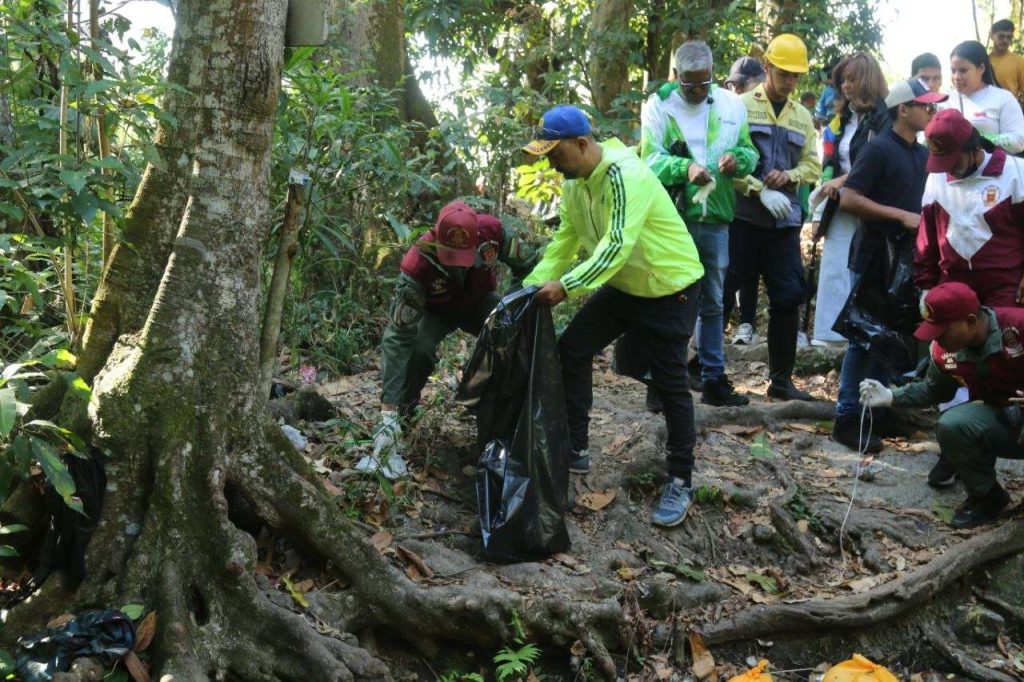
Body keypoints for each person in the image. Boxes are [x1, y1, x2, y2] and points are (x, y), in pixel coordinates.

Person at [522, 104, 705, 527]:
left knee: (670, 383)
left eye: (555, 153)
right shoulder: (575, 183)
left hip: (669, 286)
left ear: (582, 143)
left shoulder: (627, 176)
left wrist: (566, 287)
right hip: (624, 285)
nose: (550, 162)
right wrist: (531, 286)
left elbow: (615, 245)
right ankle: (576, 446)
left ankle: (681, 478)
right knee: (573, 348)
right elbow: (564, 242)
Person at [364, 200, 537, 478]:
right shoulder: (418, 262)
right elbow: (397, 338)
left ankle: (499, 425)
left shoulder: (492, 232)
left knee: (509, 336)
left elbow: (530, 264)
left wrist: (511, 303)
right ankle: (403, 418)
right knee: (419, 350)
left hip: (481, 304)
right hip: (436, 312)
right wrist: (388, 411)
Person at [640, 40, 758, 407]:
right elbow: (649, 161)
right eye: (689, 84)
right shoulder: (658, 104)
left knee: (713, 301)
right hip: (672, 219)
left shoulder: (730, 105)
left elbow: (751, 153)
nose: (697, 91)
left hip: (716, 218)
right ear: (676, 77)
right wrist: (685, 168)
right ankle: (661, 381)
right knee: (670, 300)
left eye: (704, 84)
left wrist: (736, 159)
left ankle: (713, 379)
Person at [829, 79, 945, 451]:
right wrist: (899, 216)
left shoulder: (921, 153)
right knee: (863, 337)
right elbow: (848, 198)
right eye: (925, 105)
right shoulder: (878, 148)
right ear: (903, 110)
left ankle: (873, 414)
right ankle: (847, 418)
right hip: (872, 256)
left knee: (890, 336)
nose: (931, 111)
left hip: (904, 264)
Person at [860, 282, 1024, 528]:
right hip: (1003, 419)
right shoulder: (944, 350)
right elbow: (934, 389)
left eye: (942, 330)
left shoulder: (1018, 326)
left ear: (970, 321)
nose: (936, 338)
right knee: (952, 424)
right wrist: (891, 396)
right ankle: (987, 497)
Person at [731, 33, 822, 400]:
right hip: (743, 219)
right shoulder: (739, 106)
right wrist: (757, 188)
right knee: (722, 295)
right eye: (784, 73)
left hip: (784, 223)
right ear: (767, 67)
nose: (790, 82)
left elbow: (813, 164)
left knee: (788, 296)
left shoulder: (803, 116)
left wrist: (790, 176)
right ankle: (703, 371)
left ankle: (781, 381)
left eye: (796, 76)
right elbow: (727, 161)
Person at [810, 53, 889, 346]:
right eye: (842, 80)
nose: (846, 86)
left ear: (867, 79)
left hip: (870, 202)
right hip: (839, 202)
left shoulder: (883, 116)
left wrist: (842, 182)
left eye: (852, 79)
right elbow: (831, 160)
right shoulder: (841, 119)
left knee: (863, 269)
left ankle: (860, 333)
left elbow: (873, 163)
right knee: (834, 265)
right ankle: (829, 335)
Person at [917, 108, 1024, 308]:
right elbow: (927, 238)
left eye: (954, 161)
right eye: (941, 162)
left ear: (975, 150)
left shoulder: (1016, 171)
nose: (947, 168)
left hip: (1006, 289)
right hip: (954, 289)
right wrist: (926, 287)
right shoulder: (936, 178)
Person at [942, 40, 1024, 154]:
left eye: (963, 70)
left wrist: (982, 139)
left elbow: (1019, 142)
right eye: (953, 70)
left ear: (981, 68)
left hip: (995, 170)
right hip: (955, 170)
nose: (956, 77)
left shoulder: (1003, 98)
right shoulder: (945, 100)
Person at [989, 19, 1024, 105]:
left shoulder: (1019, 61)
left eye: (1009, 37)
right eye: (1001, 36)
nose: (1005, 40)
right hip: (987, 111)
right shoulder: (983, 61)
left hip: (1010, 109)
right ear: (991, 36)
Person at [814, 59, 839, 126]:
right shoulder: (826, 91)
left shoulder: (843, 87)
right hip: (830, 120)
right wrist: (820, 118)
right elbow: (821, 107)